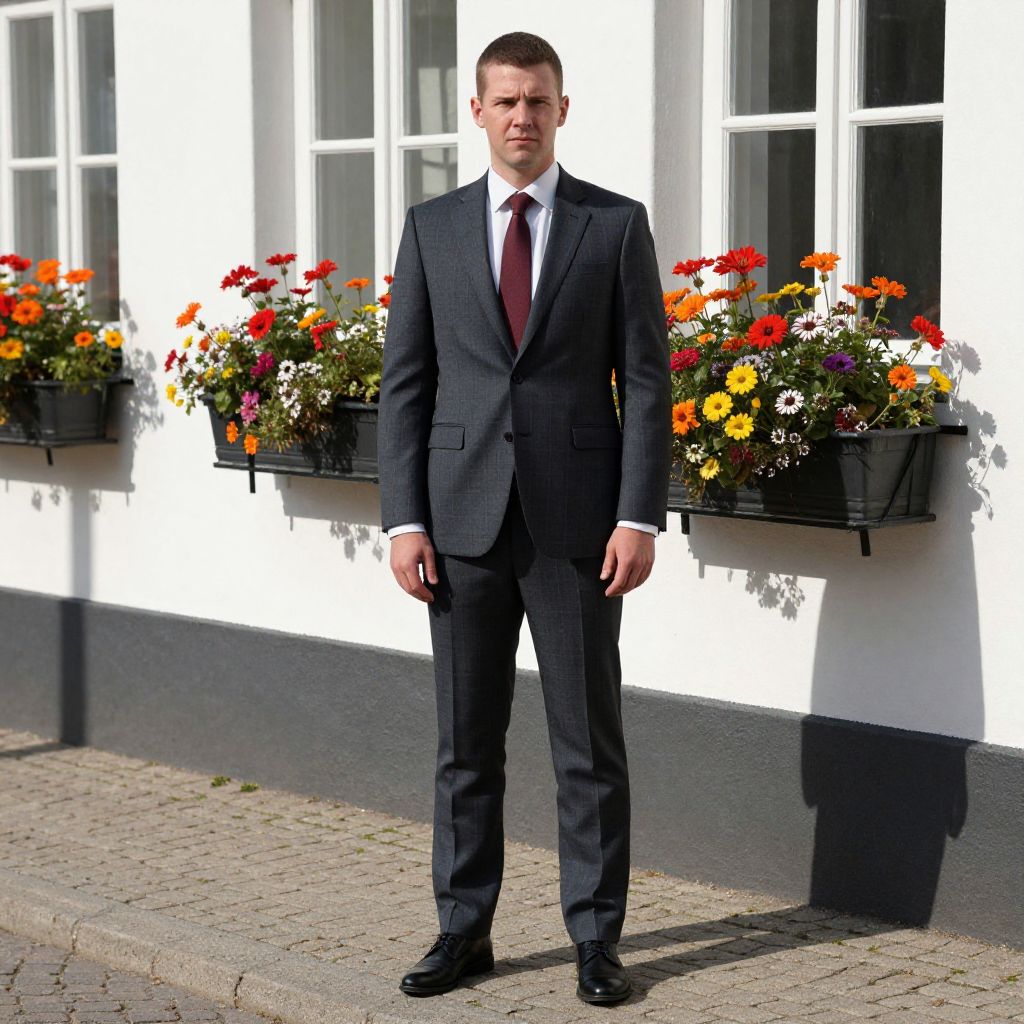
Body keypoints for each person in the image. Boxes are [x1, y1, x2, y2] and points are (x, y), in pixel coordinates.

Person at [377, 30, 671, 1006]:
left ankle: (596, 939)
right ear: (476, 111)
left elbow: (647, 381)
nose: (520, 117)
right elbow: (405, 387)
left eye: (536, 101)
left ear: (561, 108)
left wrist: (638, 514)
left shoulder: (614, 225)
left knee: (588, 740)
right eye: (503, 101)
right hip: (456, 528)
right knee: (465, 742)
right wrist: (401, 519)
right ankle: (465, 929)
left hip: (578, 530)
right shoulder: (431, 227)